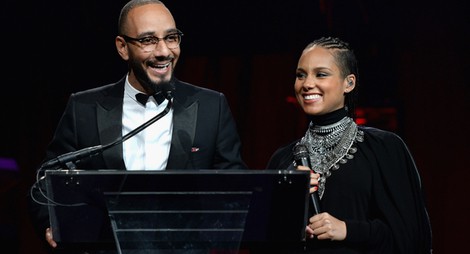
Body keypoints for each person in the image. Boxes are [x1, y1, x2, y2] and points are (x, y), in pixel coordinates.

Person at [27, 0, 247, 252]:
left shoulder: (212, 106)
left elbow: (234, 187)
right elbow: (45, 183)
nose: (164, 51)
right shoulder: (84, 107)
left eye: (171, 38)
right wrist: (52, 223)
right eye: (148, 40)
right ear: (123, 47)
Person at [266, 37, 432, 253]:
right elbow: (262, 242)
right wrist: (287, 205)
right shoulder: (283, 159)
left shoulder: (383, 148)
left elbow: (410, 238)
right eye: (300, 75)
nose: (307, 84)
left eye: (321, 74)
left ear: (349, 83)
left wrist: (347, 229)